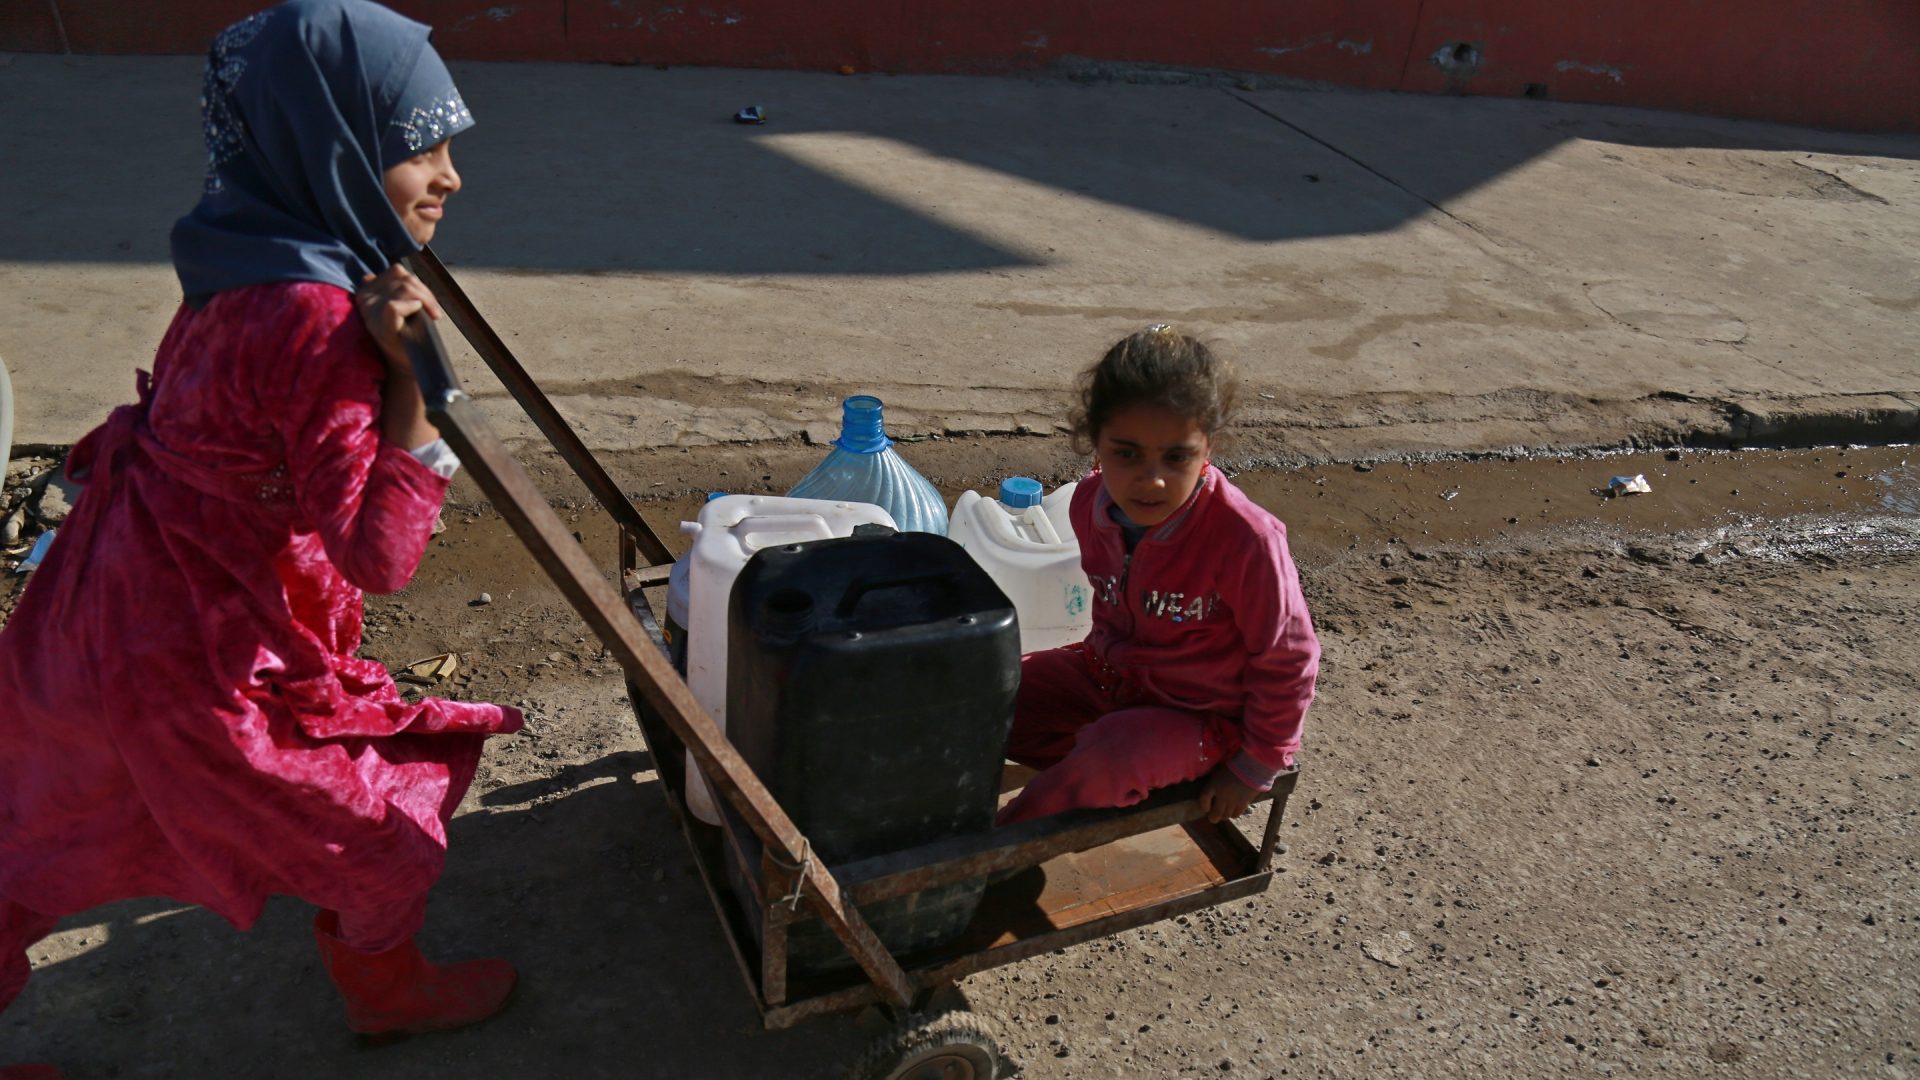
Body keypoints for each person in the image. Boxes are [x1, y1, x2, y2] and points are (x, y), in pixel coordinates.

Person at [0, 0, 522, 1062]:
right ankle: (390, 993)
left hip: (95, 606)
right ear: (330, 145)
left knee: (42, 834)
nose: (451, 175)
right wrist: (414, 404)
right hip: (195, 658)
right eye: (419, 146)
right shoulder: (320, 320)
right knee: (379, 839)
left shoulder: (237, 252)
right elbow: (375, 556)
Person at [996, 325, 1320, 826]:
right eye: (1126, 453)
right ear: (1095, 443)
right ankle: (1105, 769)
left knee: (1109, 759)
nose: (1152, 481)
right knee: (986, 697)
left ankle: (990, 855)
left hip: (1201, 717)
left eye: (1176, 456)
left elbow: (1288, 659)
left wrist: (1254, 767)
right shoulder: (1088, 503)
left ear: (1208, 446)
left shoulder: (1246, 540)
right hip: (1106, 678)